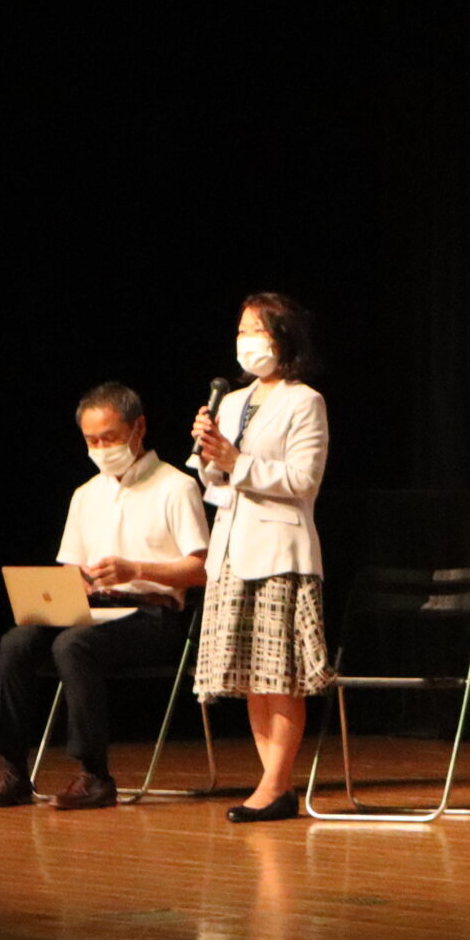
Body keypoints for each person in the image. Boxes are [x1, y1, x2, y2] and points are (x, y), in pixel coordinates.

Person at [0, 383, 209, 810]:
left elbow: (201, 569)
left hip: (152, 616)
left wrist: (136, 570)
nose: (101, 449)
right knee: (17, 642)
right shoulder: (86, 494)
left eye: (110, 437)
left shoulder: (175, 487)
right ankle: (13, 770)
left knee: (73, 645)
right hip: (94, 608)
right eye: (92, 440)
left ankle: (94, 775)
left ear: (138, 428)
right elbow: (72, 566)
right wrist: (72, 587)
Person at [190, 292, 331, 824]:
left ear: (284, 338)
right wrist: (210, 457)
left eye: (257, 330)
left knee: (280, 675)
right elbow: (218, 481)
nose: (246, 340)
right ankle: (273, 783)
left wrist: (236, 461)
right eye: (242, 330)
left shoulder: (305, 401)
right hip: (231, 547)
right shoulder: (231, 402)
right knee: (252, 673)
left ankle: (275, 785)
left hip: (279, 552)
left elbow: (303, 480)